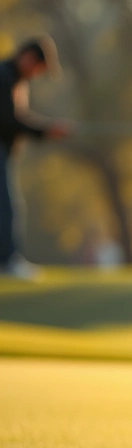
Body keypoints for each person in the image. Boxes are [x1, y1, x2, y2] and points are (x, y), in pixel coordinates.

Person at [0, 36, 71, 279]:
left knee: (8, 205)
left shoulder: (14, 80)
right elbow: (7, 122)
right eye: (38, 68)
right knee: (6, 206)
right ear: (29, 58)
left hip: (4, 152)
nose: (36, 74)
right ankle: (7, 260)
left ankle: (7, 259)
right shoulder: (3, 77)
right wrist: (44, 130)